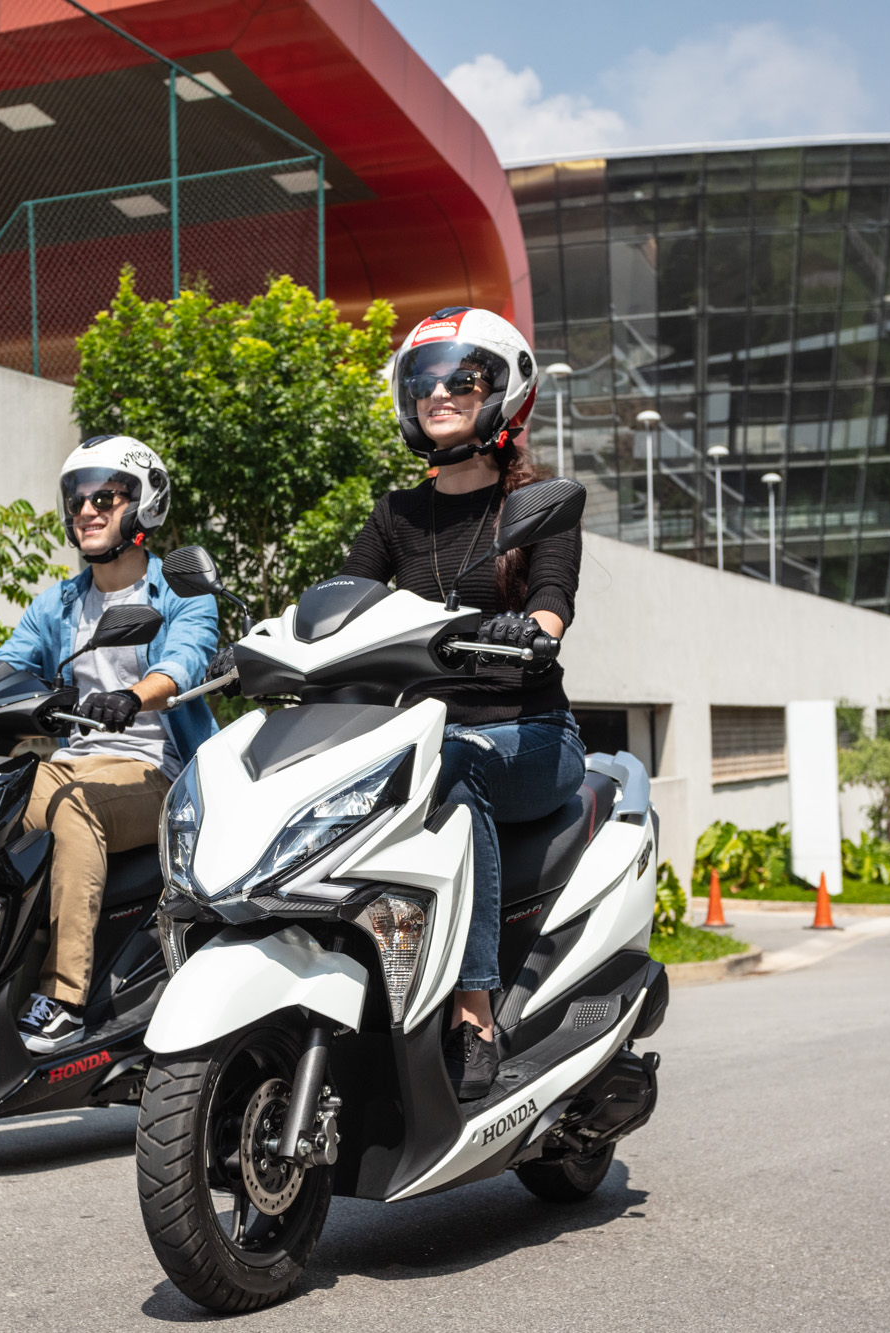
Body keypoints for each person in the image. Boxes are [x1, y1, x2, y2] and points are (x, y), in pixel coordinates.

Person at [337, 306, 584, 1100]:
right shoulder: (393, 515)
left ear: (504, 393)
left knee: (451, 772)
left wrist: (531, 630)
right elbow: (341, 604)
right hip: (425, 735)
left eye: (463, 379)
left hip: (528, 735)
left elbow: (552, 601)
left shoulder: (539, 501)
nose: (440, 393)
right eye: (424, 381)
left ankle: (472, 1011)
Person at [0, 436, 220, 1052]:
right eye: (76, 500)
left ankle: (64, 997)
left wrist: (133, 696)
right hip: (70, 764)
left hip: (156, 775)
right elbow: (7, 668)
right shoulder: (59, 604)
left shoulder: (180, 593)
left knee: (77, 810)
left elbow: (185, 663)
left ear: (143, 506)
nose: (87, 511)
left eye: (105, 497)